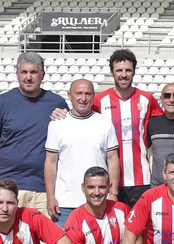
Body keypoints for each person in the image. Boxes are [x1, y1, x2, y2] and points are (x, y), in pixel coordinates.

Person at [0, 52, 68, 213]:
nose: (28, 77)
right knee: (11, 238)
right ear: (17, 74)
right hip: (9, 188)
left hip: (45, 190)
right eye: (24, 72)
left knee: (45, 238)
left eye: (33, 72)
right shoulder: (1, 104)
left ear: (42, 75)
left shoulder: (57, 103)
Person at [44, 79, 120, 227]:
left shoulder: (105, 123)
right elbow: (51, 162)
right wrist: (51, 196)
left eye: (87, 94)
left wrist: (113, 193)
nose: (83, 98)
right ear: (70, 95)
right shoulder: (57, 124)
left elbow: (112, 160)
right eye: (79, 93)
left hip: (98, 200)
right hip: (65, 203)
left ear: (93, 96)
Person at [93, 48, 161, 208]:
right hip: (107, 180)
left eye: (128, 70)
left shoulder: (147, 99)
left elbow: (165, 122)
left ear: (134, 72)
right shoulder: (99, 100)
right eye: (119, 70)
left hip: (140, 178)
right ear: (112, 72)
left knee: (140, 229)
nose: (124, 75)